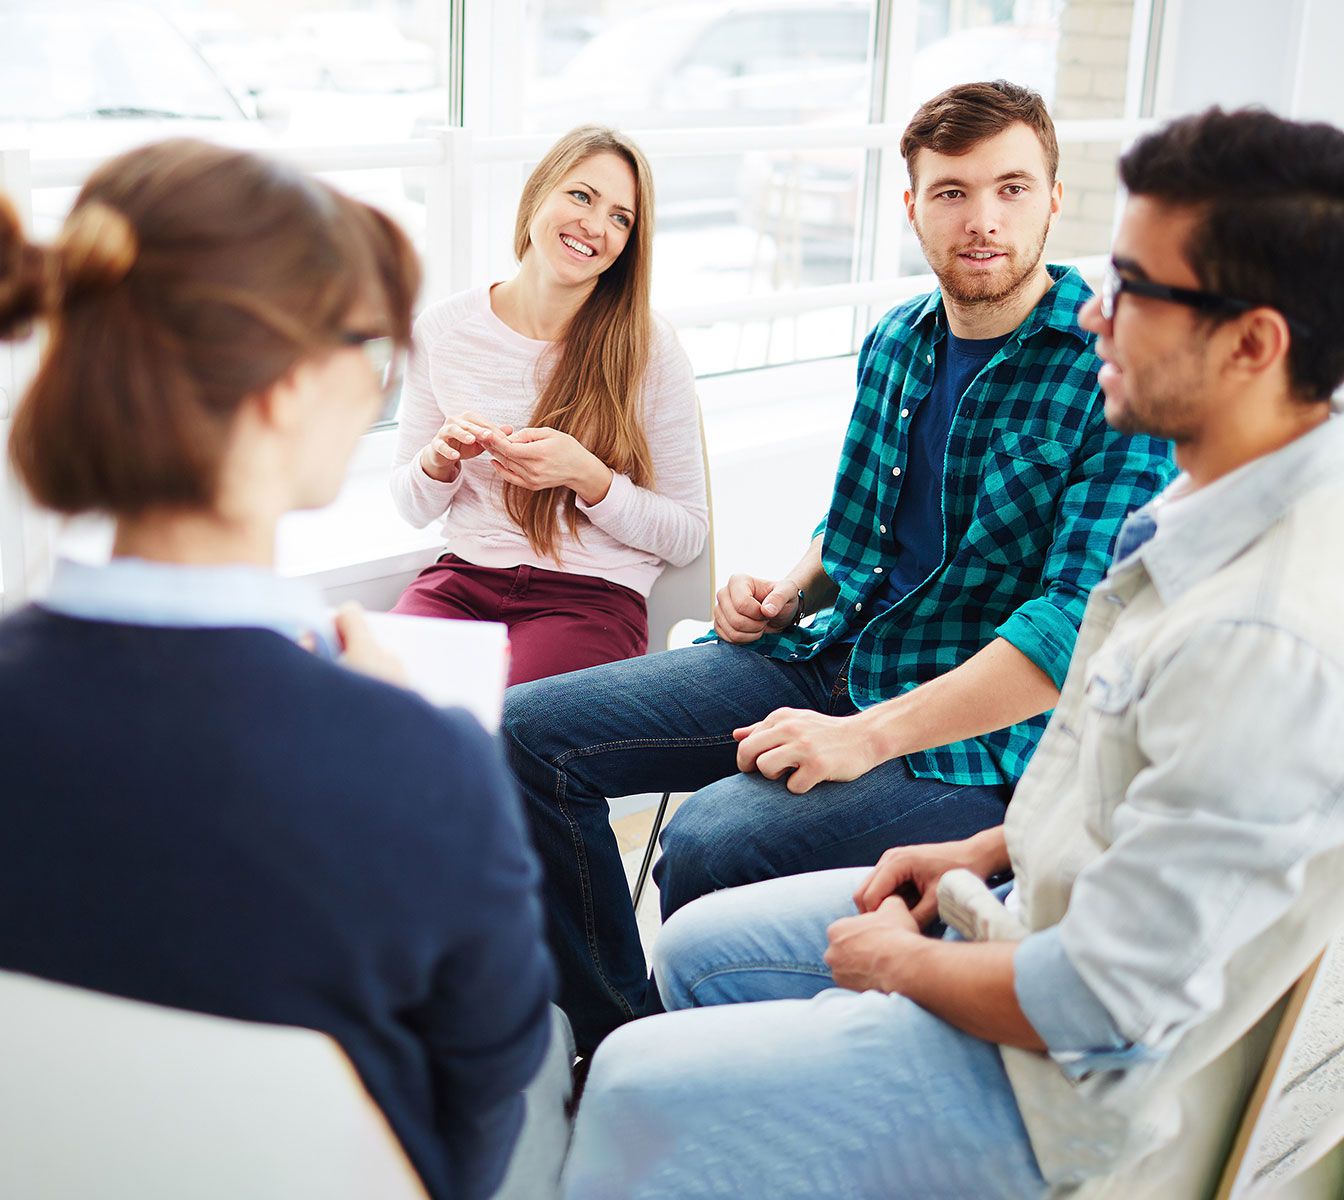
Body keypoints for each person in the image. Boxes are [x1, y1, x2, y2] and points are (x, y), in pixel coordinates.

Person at [563, 105, 1344, 1199]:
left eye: (1132, 289)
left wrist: (906, 965)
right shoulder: (1201, 506)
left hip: (1045, 1090)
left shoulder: (1260, 636)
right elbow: (1113, 794)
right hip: (1010, 887)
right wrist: (991, 852)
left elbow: (1104, 1006)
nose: (1096, 317)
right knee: (692, 953)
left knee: (636, 1085)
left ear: (1252, 343)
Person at [0, 140, 558, 1200]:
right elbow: (469, 1128)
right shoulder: (422, 768)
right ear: (277, 394)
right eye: (362, 343)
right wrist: (400, 738)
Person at [504, 81, 1174, 1055]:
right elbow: (853, 526)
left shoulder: (1108, 369)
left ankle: (724, 1062)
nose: (981, 220)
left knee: (708, 842)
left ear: (1054, 200)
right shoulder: (898, 340)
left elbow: (1071, 627)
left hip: (972, 740)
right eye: (949, 193)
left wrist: (861, 737)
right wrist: (787, 588)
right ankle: (619, 1041)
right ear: (910, 208)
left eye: (1010, 189)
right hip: (829, 657)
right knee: (529, 734)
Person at [389, 125, 707, 687]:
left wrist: (589, 478)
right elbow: (411, 507)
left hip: (591, 600)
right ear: (539, 193)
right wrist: (438, 462)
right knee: (376, 704)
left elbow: (686, 534)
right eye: (581, 195)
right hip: (464, 582)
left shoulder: (650, 349)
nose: (594, 224)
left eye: (620, 217)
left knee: (512, 729)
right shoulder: (443, 330)